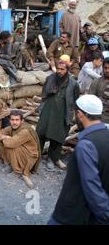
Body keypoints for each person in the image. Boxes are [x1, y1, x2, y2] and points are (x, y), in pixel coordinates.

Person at [49, 95, 109, 225]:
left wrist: (105, 215)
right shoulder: (106, 134)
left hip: (72, 215)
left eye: (76, 113)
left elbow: (91, 186)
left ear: (81, 114)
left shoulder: (86, 145)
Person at [36, 60, 80, 171]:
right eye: (58, 69)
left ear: (67, 71)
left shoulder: (73, 84)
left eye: (62, 69)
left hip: (62, 114)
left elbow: (75, 101)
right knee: (41, 133)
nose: (59, 71)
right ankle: (36, 155)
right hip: (48, 110)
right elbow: (44, 94)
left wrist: (73, 115)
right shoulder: (50, 79)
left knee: (57, 137)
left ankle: (52, 158)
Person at [0, 110, 41, 188]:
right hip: (21, 150)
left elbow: (10, 143)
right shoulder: (11, 128)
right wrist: (5, 137)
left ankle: (18, 171)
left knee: (10, 145)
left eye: (17, 120)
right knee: (0, 141)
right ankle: (9, 164)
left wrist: (5, 139)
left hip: (29, 155)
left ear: (22, 121)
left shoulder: (25, 131)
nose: (14, 122)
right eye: (12, 120)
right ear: (10, 120)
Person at [89, 57, 109, 124]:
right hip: (99, 118)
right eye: (105, 68)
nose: (107, 70)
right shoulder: (96, 82)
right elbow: (90, 100)